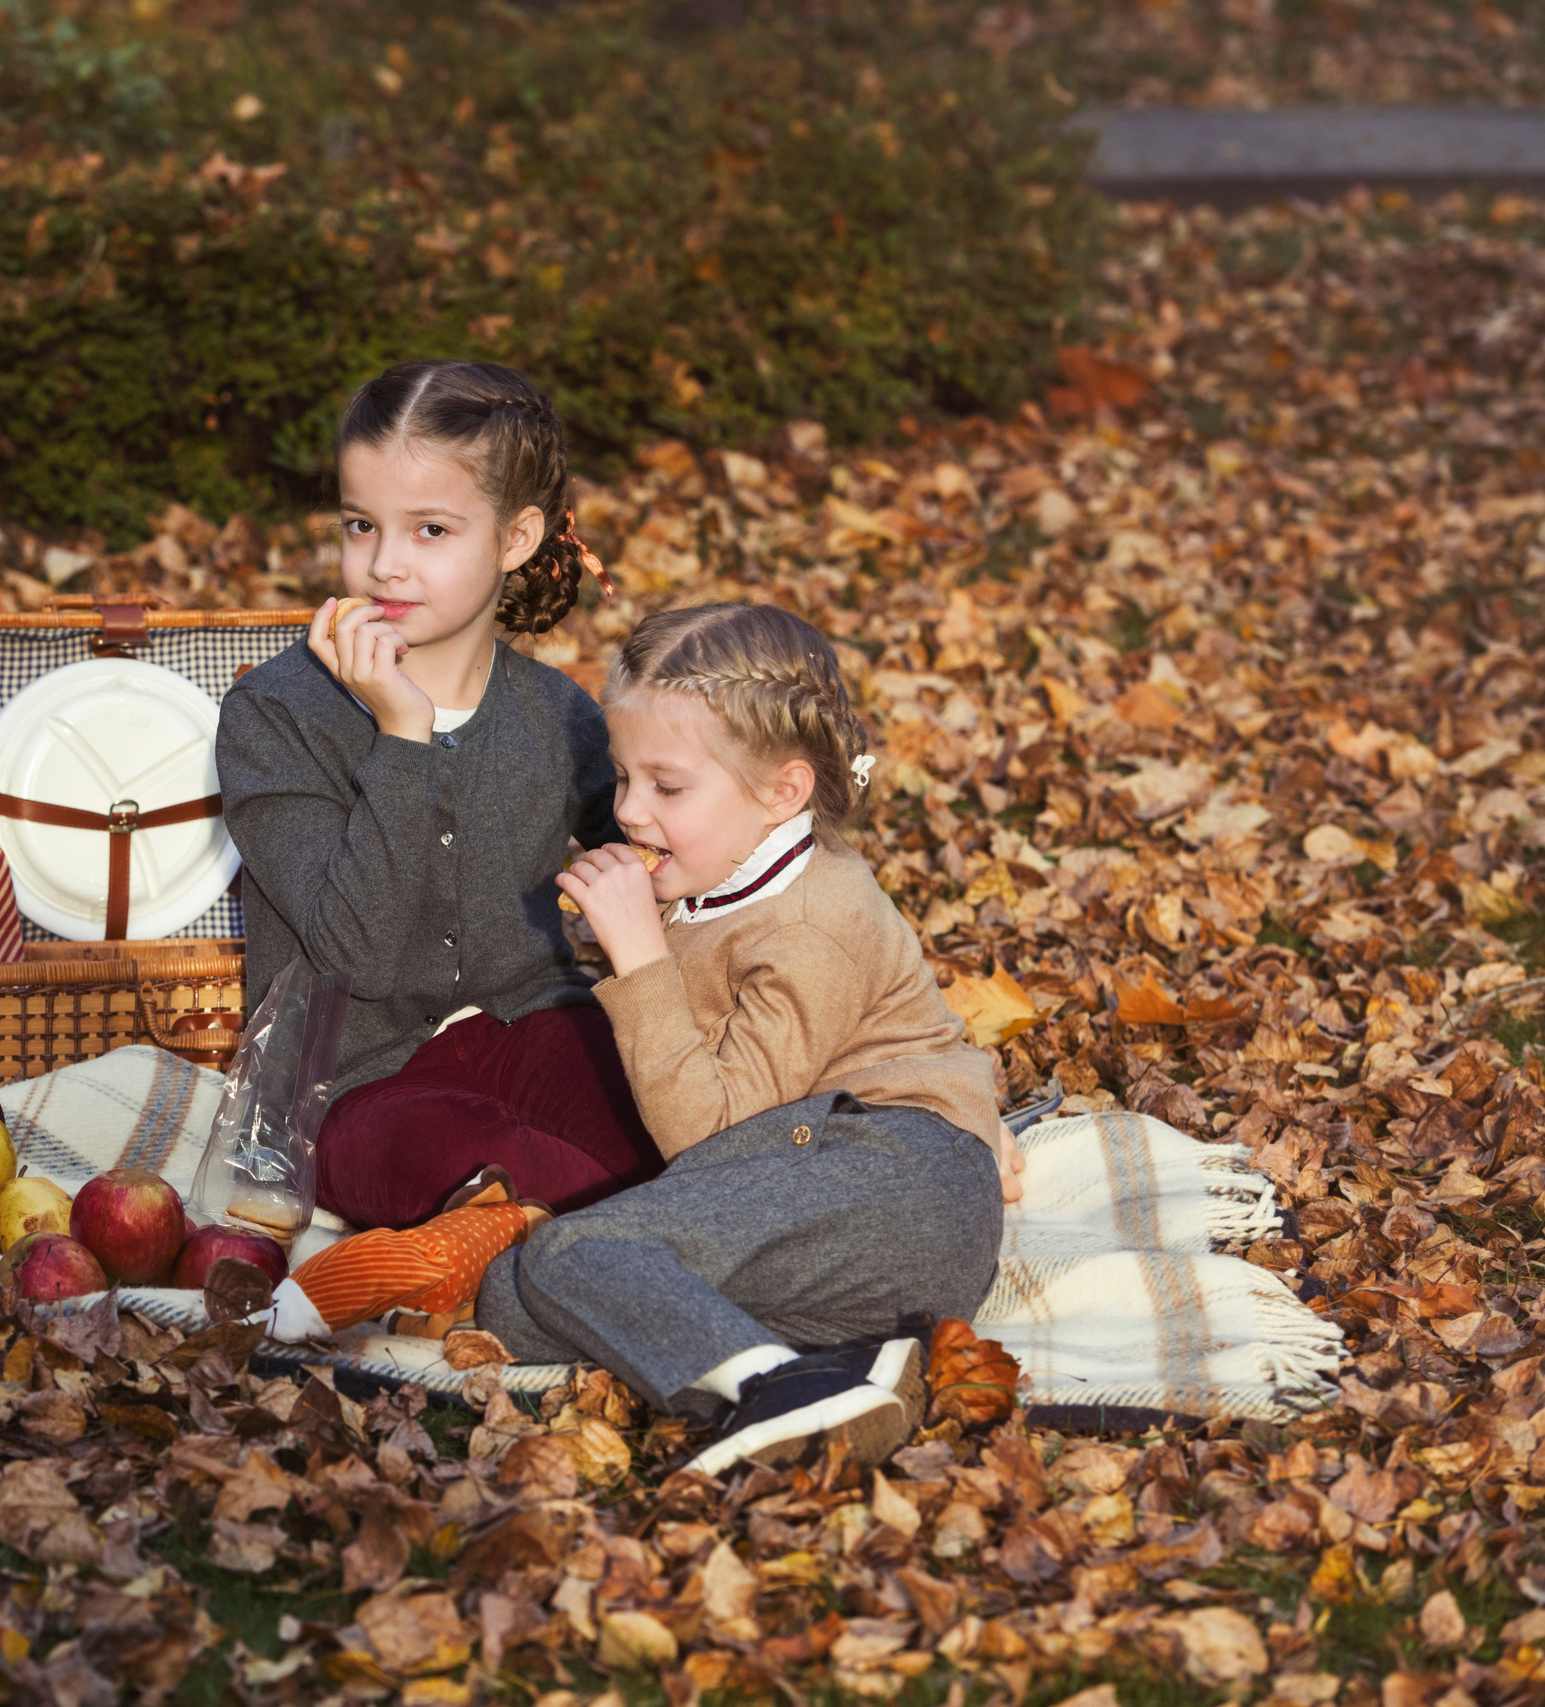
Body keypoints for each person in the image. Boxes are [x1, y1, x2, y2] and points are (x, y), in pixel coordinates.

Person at [475, 601, 1023, 1474]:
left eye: (667, 786)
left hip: (888, 1178)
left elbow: (710, 1136)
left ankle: (778, 1387)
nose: (630, 813)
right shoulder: (728, 864)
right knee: (513, 1295)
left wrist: (641, 954)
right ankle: (851, 1366)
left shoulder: (811, 921)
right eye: (621, 778)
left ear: (783, 790)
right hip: (848, 1229)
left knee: (573, 1251)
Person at [216, 360, 663, 1230]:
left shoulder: (556, 714)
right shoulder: (274, 716)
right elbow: (359, 959)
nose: (384, 565)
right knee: (489, 1170)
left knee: (666, 1122)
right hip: (351, 1086)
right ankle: (635, 1244)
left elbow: (680, 859)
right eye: (360, 524)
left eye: (430, 529)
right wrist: (401, 738)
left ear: (516, 537)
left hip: (533, 1025)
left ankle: (666, 1233)